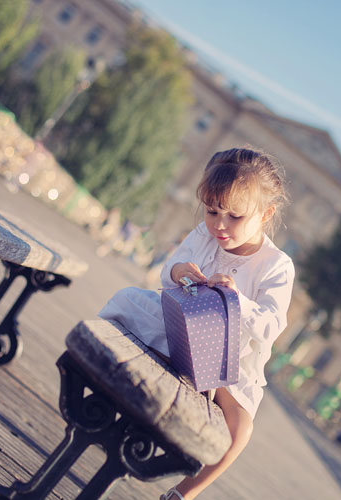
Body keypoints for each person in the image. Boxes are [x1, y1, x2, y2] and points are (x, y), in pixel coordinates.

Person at [98, 147, 295, 500]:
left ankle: (182, 493)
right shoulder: (203, 236)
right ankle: (102, 402)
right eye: (212, 211)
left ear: (265, 214)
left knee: (241, 429)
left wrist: (237, 299)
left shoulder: (276, 266)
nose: (219, 224)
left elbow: (271, 326)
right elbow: (166, 271)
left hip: (225, 363)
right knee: (126, 303)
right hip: (177, 330)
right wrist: (179, 272)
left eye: (234, 216)